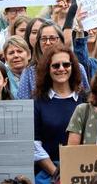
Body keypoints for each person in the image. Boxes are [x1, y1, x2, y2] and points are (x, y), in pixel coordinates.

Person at [33, 45, 86, 181]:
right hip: (50, 175)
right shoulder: (38, 102)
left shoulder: (85, 99)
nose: (62, 69)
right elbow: (34, 145)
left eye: (66, 64)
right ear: (47, 70)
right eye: (56, 66)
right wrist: (57, 174)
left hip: (85, 170)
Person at [18, 20, 90, 99]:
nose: (48, 43)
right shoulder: (29, 72)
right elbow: (23, 105)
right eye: (44, 39)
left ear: (61, 40)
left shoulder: (78, 68)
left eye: (52, 38)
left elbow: (87, 98)